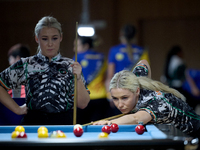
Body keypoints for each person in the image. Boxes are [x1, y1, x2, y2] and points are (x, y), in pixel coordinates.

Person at [0, 16, 90, 125]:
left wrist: (79, 78)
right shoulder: (26, 64)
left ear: (61, 37)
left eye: (54, 38)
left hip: (63, 125)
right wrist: (17, 109)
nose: (50, 44)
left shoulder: (71, 65)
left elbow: (83, 104)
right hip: (33, 124)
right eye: (45, 38)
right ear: (37, 39)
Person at [94, 60, 200, 138]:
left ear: (137, 91)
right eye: (115, 99)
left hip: (195, 134)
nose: (120, 104)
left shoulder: (157, 102)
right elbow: (143, 63)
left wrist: (109, 123)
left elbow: (136, 118)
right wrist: (145, 81)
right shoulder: (135, 80)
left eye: (124, 98)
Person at [105, 24, 150, 113]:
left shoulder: (114, 50)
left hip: (119, 93)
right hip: (136, 93)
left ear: (121, 34)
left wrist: (110, 96)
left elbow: (110, 76)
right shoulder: (142, 51)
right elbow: (146, 76)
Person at [73, 36, 111, 124]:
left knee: (81, 127)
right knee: (98, 126)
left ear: (86, 46)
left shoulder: (77, 57)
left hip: (83, 98)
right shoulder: (102, 57)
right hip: (101, 98)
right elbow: (106, 77)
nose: (74, 49)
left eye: (76, 46)